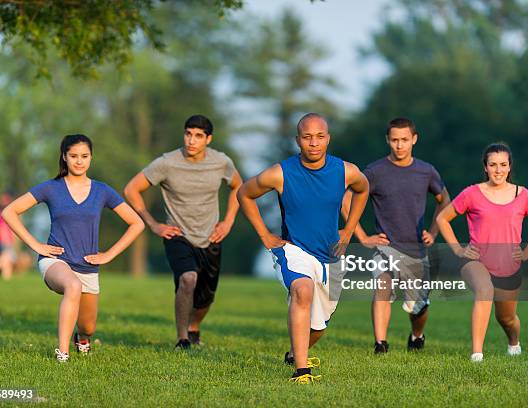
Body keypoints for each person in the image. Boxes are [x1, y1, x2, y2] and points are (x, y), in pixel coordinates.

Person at [237, 113, 368, 384]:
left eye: (319, 137)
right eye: (307, 137)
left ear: (328, 139)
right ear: (298, 140)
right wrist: (264, 234)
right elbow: (244, 194)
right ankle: (302, 371)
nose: (313, 143)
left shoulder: (345, 170)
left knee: (318, 327)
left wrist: (349, 228)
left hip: (331, 256)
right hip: (294, 250)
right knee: (302, 290)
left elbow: (363, 189)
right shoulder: (280, 173)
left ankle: (295, 353)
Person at [2, 134, 144, 362]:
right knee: (72, 285)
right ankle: (63, 352)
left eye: (84, 156)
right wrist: (35, 244)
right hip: (56, 261)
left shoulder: (102, 191)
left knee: (88, 325)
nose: (79, 161)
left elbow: (137, 223)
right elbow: (9, 211)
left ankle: (82, 338)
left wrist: (109, 255)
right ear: (64, 157)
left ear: (91, 158)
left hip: (88, 265)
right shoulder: (51, 188)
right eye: (74, 156)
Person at [124, 114, 242, 350]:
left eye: (198, 136)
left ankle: (194, 326)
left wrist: (228, 222)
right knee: (188, 279)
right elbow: (131, 189)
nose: (191, 140)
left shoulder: (222, 162)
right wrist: (153, 224)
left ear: (208, 139)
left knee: (206, 297)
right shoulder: (166, 163)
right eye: (188, 133)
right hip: (177, 234)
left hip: (210, 235)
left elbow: (239, 187)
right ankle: (182, 339)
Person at [342, 117, 450, 353]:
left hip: (416, 250)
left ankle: (417, 336)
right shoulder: (375, 171)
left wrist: (433, 232)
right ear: (387, 140)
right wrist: (360, 235)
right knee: (383, 285)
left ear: (414, 139)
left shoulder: (426, 171)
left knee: (417, 307)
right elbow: (346, 199)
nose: (399, 145)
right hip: (386, 246)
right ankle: (380, 344)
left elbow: (445, 201)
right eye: (394, 140)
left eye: (404, 140)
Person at [436, 142, 528, 362]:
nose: (498, 170)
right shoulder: (472, 193)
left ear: (509, 167)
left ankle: (514, 343)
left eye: (503, 165)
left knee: (506, 318)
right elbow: (442, 218)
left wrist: (526, 253)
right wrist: (459, 249)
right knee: (484, 290)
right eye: (493, 165)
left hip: (509, 267)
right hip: (475, 261)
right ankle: (477, 355)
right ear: (485, 167)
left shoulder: (522, 195)